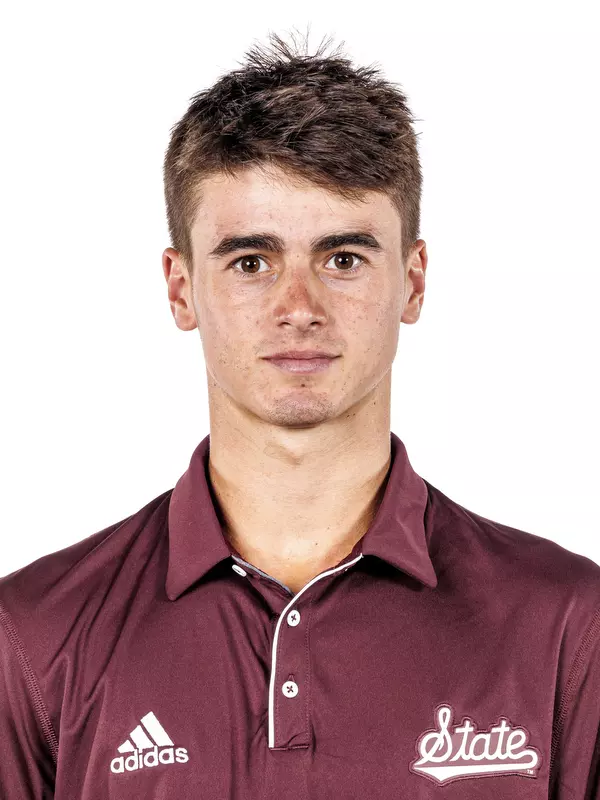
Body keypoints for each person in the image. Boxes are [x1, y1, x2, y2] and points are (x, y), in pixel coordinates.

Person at [0, 29, 598, 800]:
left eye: (342, 258)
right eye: (251, 262)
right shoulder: (36, 635)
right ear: (180, 289)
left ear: (414, 281)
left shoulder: (562, 624)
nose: (298, 308)